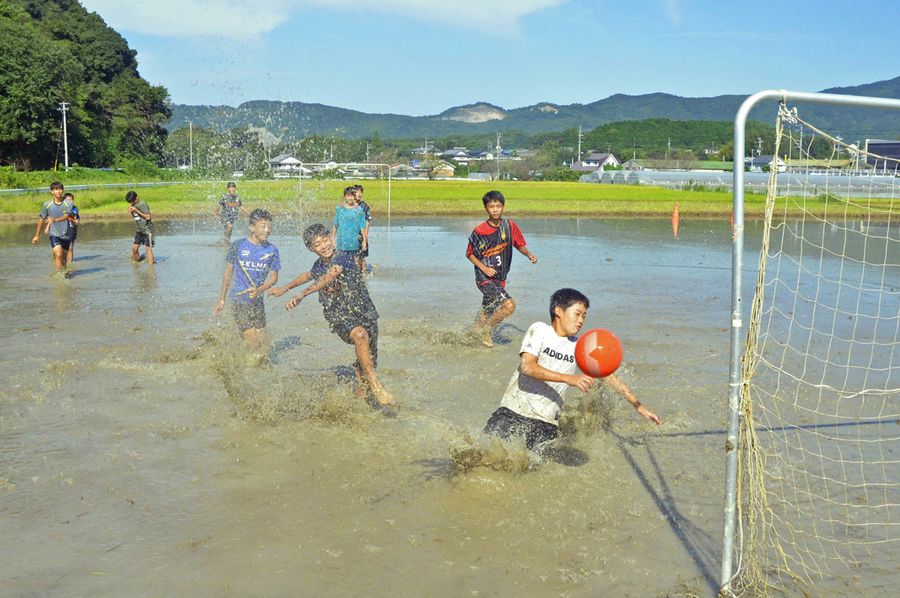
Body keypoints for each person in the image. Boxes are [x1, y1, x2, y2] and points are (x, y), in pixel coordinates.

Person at [483, 288, 661, 454]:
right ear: (558, 311)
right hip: (512, 412)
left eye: (584, 316)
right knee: (483, 456)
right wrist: (570, 379)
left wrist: (638, 405)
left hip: (546, 423)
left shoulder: (580, 346)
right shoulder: (540, 330)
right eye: (577, 314)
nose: (581, 320)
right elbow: (528, 366)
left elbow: (608, 376)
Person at [269, 223, 393, 407]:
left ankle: (361, 398)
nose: (324, 246)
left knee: (368, 360)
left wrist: (303, 293)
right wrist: (286, 288)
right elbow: (308, 275)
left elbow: (329, 276)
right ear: (311, 249)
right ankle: (377, 387)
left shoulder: (343, 257)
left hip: (364, 311)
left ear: (332, 238)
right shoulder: (318, 265)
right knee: (360, 335)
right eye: (317, 244)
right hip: (339, 315)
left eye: (325, 240)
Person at [466, 190, 537, 346]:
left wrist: (528, 254)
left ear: (503, 207)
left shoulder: (509, 226)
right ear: (486, 208)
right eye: (492, 206)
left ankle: (470, 337)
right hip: (484, 278)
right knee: (509, 305)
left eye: (498, 206)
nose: (495, 210)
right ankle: (487, 331)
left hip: (500, 278)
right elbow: (470, 254)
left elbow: (519, 244)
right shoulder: (479, 231)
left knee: (488, 310)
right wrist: (484, 268)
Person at [215, 209, 280, 350]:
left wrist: (260, 290)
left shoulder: (272, 250)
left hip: (257, 301)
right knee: (252, 341)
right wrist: (222, 299)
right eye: (263, 226)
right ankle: (244, 366)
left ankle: (260, 367)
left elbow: (274, 278)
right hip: (239, 300)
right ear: (252, 227)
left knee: (263, 342)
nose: (267, 230)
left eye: (269, 226)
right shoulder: (238, 246)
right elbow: (227, 274)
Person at [32, 181, 74, 275]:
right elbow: (42, 219)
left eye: (60, 189)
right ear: (52, 191)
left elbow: (66, 216)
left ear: (63, 190)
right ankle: (59, 275)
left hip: (66, 234)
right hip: (54, 233)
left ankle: (63, 272)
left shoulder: (68, 203)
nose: (58, 191)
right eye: (56, 189)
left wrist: (55, 220)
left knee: (63, 258)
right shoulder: (47, 205)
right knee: (58, 254)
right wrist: (36, 236)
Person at [332, 186, 367, 271]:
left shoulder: (359, 210)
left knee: (356, 263)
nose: (350, 198)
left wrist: (364, 241)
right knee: (340, 264)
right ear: (345, 196)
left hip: (354, 242)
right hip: (342, 242)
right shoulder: (339, 209)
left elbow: (362, 227)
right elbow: (335, 224)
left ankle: (358, 279)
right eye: (348, 196)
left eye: (352, 195)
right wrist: (332, 238)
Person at [44, 192, 80, 266]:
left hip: (71, 231)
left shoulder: (75, 209)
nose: (70, 202)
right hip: (59, 231)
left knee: (71, 247)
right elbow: (52, 219)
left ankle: (70, 263)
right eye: (68, 200)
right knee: (59, 250)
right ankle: (57, 259)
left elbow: (77, 217)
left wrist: (77, 221)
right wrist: (48, 227)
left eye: (71, 200)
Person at [126, 190, 154, 265]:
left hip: (148, 230)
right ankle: (136, 265)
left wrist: (136, 210)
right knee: (134, 248)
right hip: (140, 230)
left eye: (133, 201)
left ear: (137, 197)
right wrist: (131, 210)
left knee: (148, 249)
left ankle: (151, 270)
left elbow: (148, 217)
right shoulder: (133, 206)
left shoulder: (143, 204)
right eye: (131, 202)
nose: (132, 203)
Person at [353, 184, 371, 274]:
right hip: (352, 235)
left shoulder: (364, 206)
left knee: (362, 257)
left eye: (360, 192)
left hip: (361, 234)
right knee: (354, 256)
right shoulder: (350, 205)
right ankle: (356, 274)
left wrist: (365, 236)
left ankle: (362, 274)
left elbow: (368, 221)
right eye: (356, 192)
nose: (359, 194)